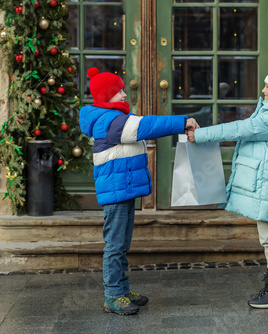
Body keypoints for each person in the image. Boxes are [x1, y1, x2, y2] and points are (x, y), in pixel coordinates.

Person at [79, 67, 199, 315]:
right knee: (115, 244)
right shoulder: (111, 121)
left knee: (121, 243)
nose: (124, 94)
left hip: (121, 189)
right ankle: (113, 294)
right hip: (116, 191)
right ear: (106, 95)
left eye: (123, 89)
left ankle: (121, 290)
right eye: (119, 91)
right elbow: (148, 125)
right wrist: (182, 121)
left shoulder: (113, 117)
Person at [187, 67, 268, 309]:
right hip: (265, 180)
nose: (263, 90)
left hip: (267, 182)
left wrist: (200, 135)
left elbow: (239, 129)